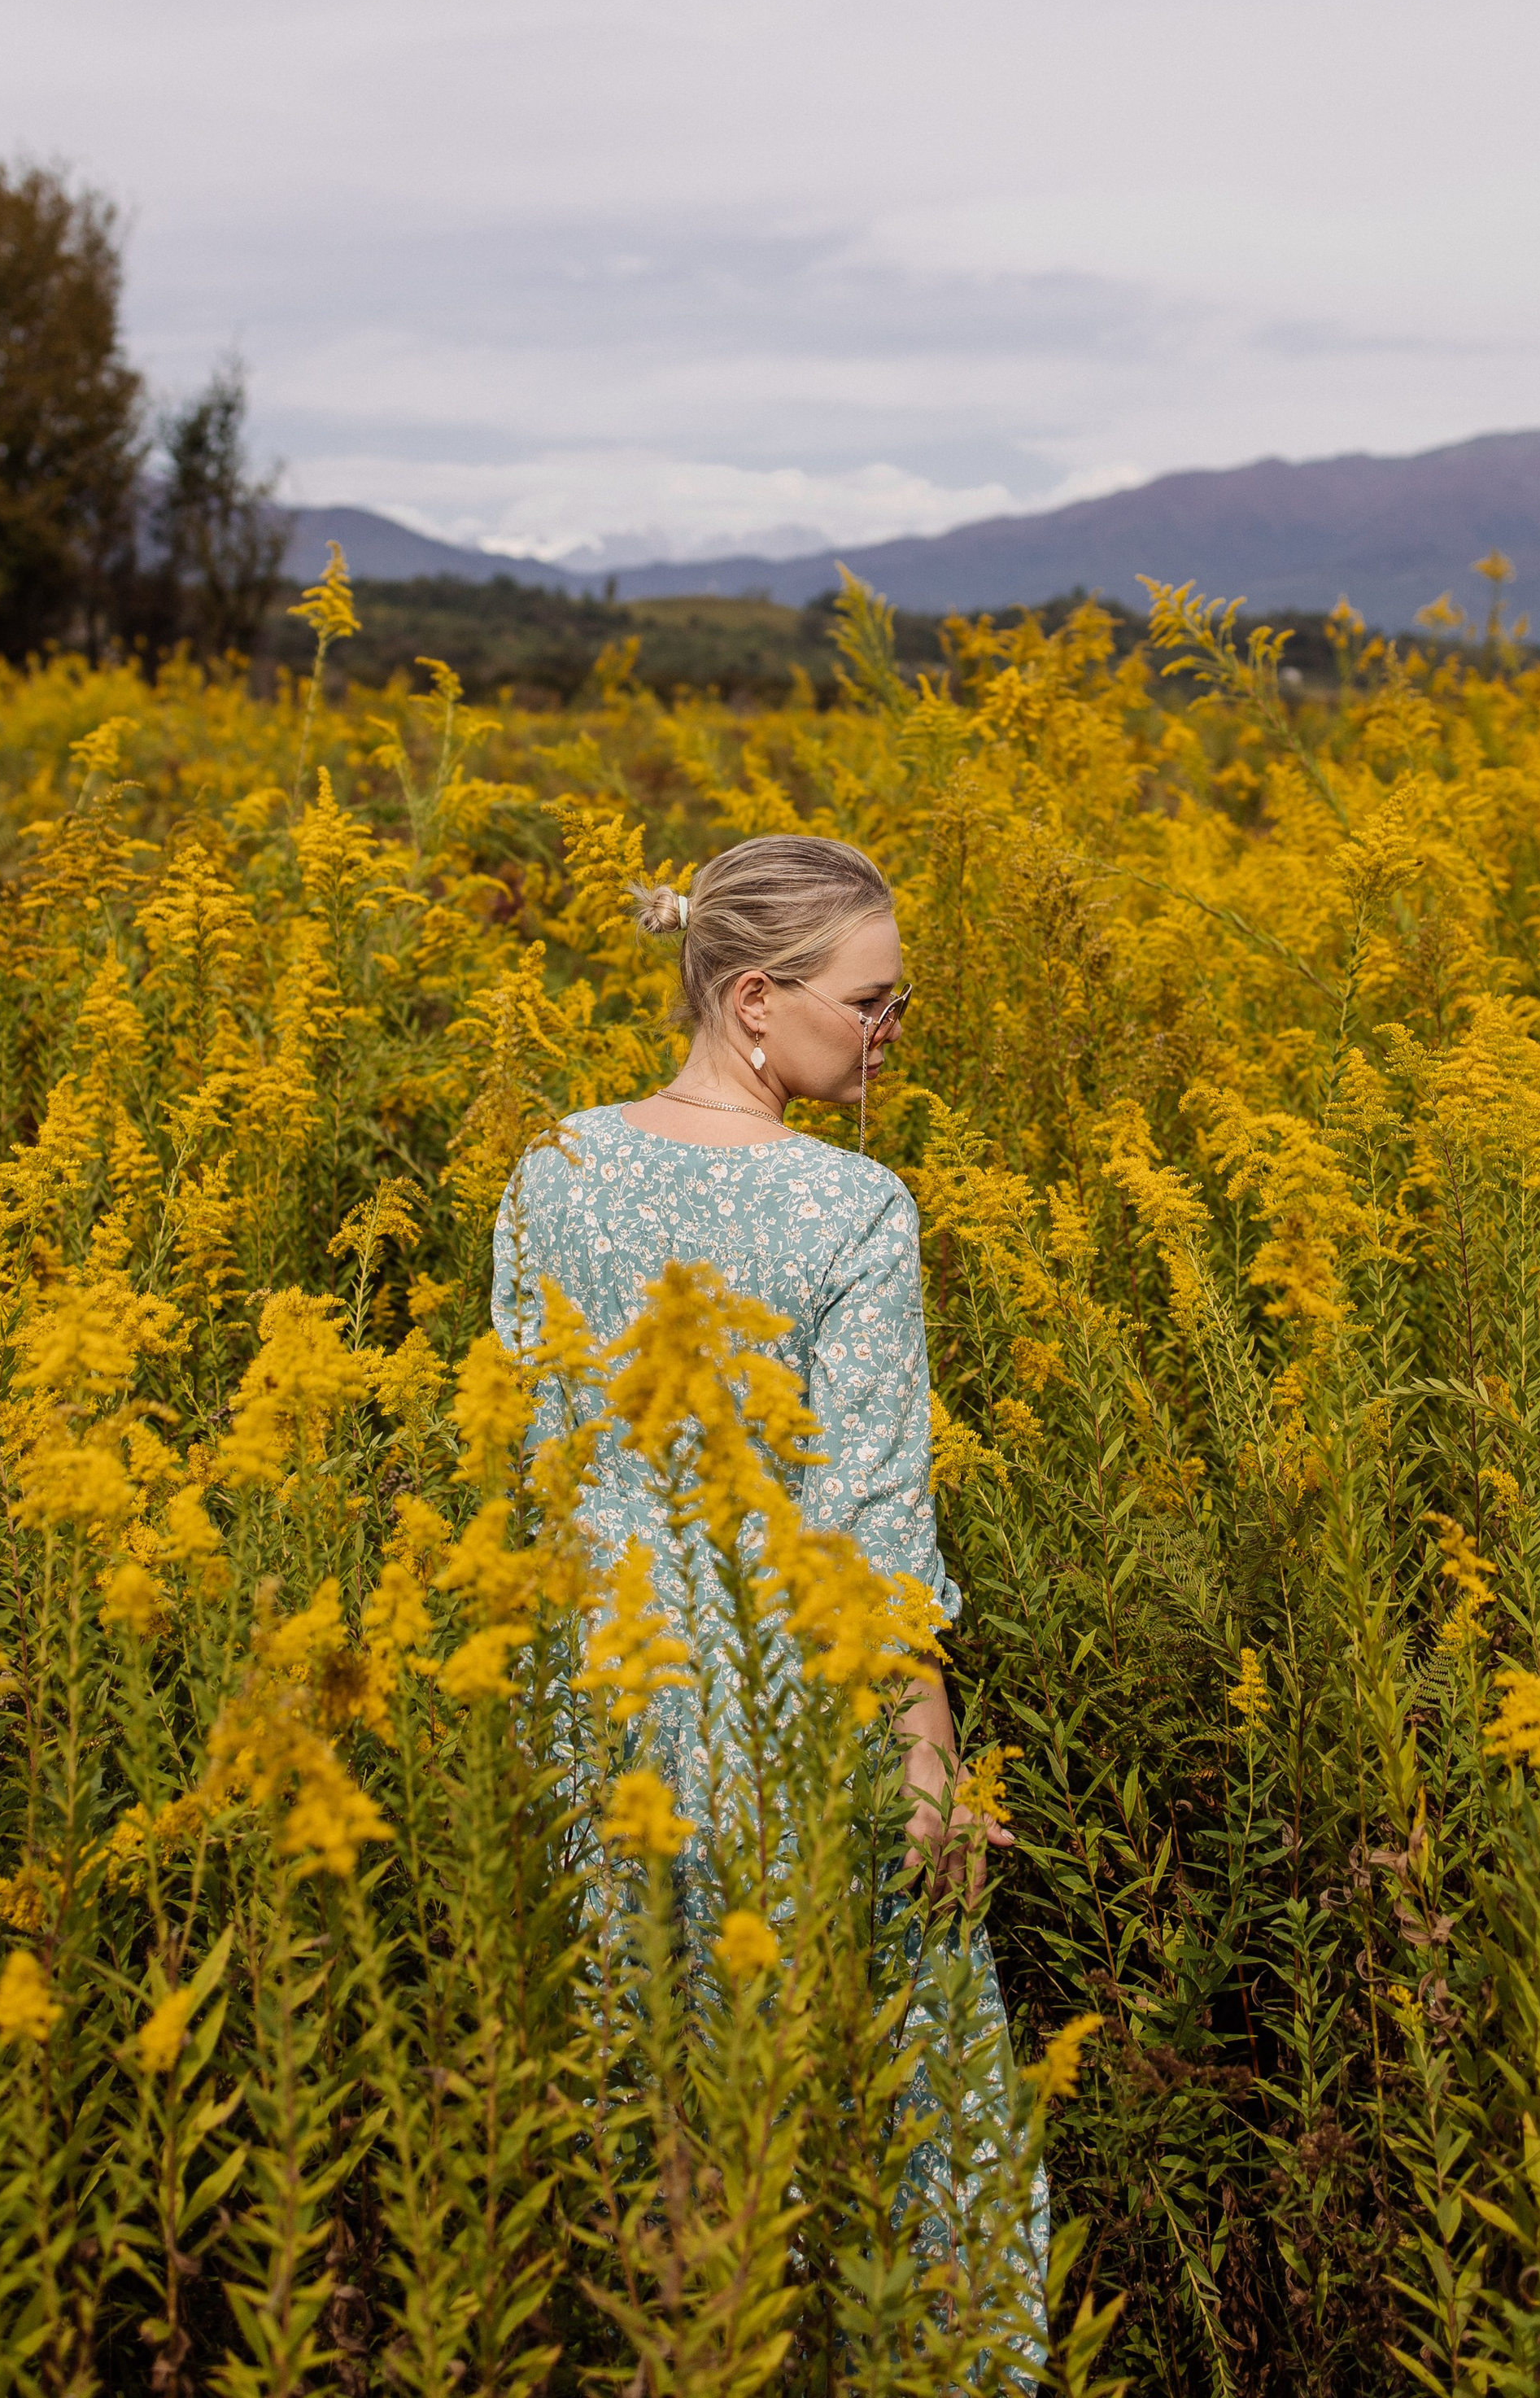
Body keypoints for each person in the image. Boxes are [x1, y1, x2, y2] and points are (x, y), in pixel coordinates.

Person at [491, 832, 1047, 2324]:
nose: (890, 1032)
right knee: (874, 2114)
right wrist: (930, 1764)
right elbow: (868, 1530)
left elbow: (531, 1457)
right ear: (754, 999)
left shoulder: (552, 1168)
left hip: (589, 1707)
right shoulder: (853, 1209)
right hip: (778, 1714)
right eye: (871, 1003)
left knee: (634, 2106)